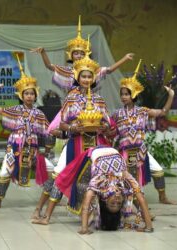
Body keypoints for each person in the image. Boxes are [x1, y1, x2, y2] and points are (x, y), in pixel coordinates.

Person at [31, 54, 111, 224]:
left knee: (101, 177)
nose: (87, 79)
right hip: (76, 143)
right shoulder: (70, 98)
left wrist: (104, 127)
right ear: (77, 77)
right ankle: (44, 214)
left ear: (94, 78)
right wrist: (74, 128)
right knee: (59, 175)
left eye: (90, 76)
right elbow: (62, 125)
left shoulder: (100, 100)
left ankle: (100, 213)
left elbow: (107, 125)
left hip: (96, 145)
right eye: (84, 76)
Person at [0, 55, 52, 210]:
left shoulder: (39, 113)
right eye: (26, 94)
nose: (29, 96)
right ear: (21, 96)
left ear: (35, 95)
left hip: (33, 150)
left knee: (52, 170)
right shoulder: (15, 110)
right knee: (4, 172)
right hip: (15, 148)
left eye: (32, 93)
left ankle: (55, 197)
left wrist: (49, 149)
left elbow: (49, 130)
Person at [111, 59, 176, 204]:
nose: (123, 97)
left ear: (133, 95)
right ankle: (135, 205)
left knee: (158, 171)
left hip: (141, 151)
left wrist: (171, 95)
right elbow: (110, 131)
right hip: (124, 152)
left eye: (127, 94)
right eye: (122, 94)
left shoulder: (143, 111)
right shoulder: (116, 114)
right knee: (130, 179)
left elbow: (163, 112)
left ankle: (163, 197)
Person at [53, 146, 153, 234]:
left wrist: (84, 228)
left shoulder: (99, 181)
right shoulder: (125, 180)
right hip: (112, 149)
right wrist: (148, 226)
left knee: (67, 179)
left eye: (112, 204)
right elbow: (141, 199)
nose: (117, 201)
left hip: (94, 152)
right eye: (118, 204)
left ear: (105, 201)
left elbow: (86, 202)